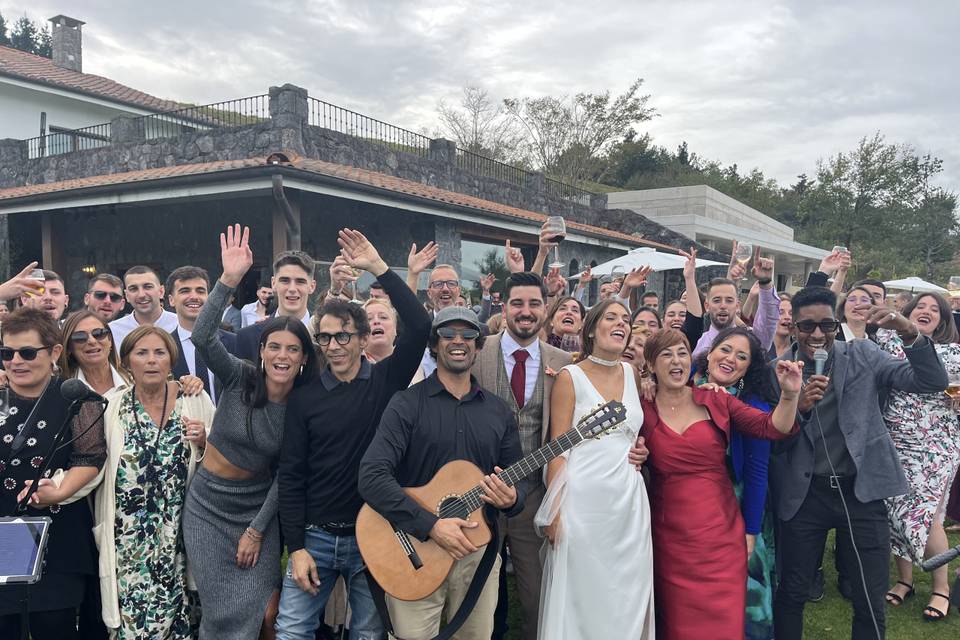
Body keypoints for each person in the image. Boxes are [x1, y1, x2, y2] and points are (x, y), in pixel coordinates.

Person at [769, 286, 948, 640]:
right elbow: (772, 443)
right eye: (807, 327)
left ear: (837, 324)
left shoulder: (864, 354)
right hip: (804, 496)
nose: (817, 334)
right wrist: (798, 408)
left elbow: (932, 382)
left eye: (826, 324)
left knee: (869, 599)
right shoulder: (776, 370)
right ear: (794, 328)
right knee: (792, 592)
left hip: (861, 492)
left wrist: (910, 333)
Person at [276, 229, 430, 640]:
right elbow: (291, 475)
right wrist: (298, 547)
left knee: (368, 633)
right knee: (291, 631)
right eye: (325, 337)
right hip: (316, 537)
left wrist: (380, 267)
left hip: (375, 535)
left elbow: (419, 325)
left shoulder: (386, 381)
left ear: (364, 340)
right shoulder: (305, 399)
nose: (334, 345)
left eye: (344, 335)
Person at [183, 224, 319, 640]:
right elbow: (203, 337)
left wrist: (256, 531)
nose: (282, 355)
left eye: (292, 349)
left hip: (258, 509)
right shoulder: (239, 378)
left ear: (302, 359)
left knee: (266, 614)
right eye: (274, 347)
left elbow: (287, 476)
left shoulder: (302, 406)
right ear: (261, 352)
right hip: (207, 508)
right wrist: (227, 280)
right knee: (219, 613)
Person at [359, 307, 525, 640]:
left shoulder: (499, 412)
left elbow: (514, 484)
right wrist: (431, 525)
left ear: (479, 348)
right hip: (415, 551)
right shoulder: (406, 404)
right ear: (434, 346)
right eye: (448, 335)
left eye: (468, 336)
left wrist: (511, 499)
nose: (458, 342)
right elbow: (372, 476)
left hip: (478, 554)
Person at [638, 328, 801, 639]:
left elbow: (771, 428)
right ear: (651, 364)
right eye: (666, 355)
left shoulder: (715, 398)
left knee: (724, 625)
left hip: (720, 534)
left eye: (682, 353)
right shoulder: (640, 406)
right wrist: (635, 453)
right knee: (677, 625)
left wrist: (790, 394)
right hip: (669, 538)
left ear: (692, 358)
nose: (676, 361)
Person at [536, 299, 655, 639]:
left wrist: (641, 450)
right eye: (611, 317)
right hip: (583, 504)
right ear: (591, 329)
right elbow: (557, 449)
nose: (622, 323)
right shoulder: (569, 377)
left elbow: (633, 434)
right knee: (583, 596)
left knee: (627, 594)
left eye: (626, 319)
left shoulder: (632, 374)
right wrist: (554, 513)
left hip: (629, 504)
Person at [93, 326, 214, 639]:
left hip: (177, 540)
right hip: (127, 545)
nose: (151, 361)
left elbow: (220, 460)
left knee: (180, 622)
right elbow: (90, 464)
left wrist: (203, 442)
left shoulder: (194, 399)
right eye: (141, 353)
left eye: (159, 352)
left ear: (171, 360)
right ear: (126, 362)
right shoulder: (110, 406)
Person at [471, 272, 572, 640]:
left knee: (536, 595)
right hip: (480, 494)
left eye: (533, 304)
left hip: (534, 496)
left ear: (545, 309)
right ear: (504, 306)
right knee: (479, 593)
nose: (525, 311)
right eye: (517, 303)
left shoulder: (565, 361)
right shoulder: (477, 351)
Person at [0, 308, 106, 639]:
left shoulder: (77, 400)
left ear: (55, 352)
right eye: (6, 353)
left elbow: (90, 457)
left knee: (55, 627)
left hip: (58, 534)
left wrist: (58, 492)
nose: (16, 361)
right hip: (4, 535)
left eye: (28, 352)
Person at [875, 292, 960, 621]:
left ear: (943, 319)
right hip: (894, 440)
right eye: (920, 307)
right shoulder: (888, 343)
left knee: (926, 515)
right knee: (895, 510)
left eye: (934, 309)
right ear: (907, 313)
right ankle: (905, 580)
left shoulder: (953, 353)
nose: (926, 311)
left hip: (935, 445)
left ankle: (941, 588)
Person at [693, 327, 781, 639]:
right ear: (710, 351)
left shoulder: (754, 408)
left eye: (741, 356)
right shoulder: (683, 387)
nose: (730, 359)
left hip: (735, 510)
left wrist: (751, 531)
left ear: (748, 368)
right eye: (726, 349)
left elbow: (758, 475)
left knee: (745, 597)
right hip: (687, 511)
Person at [166, 265, 237, 403]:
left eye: (200, 291)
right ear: (171, 300)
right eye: (184, 291)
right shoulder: (164, 348)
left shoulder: (233, 342)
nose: (193, 297)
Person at [692, 250, 778, 358]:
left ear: (737, 306)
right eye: (717, 300)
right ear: (707, 306)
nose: (723, 305)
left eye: (729, 300)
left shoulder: (751, 340)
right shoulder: (696, 345)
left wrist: (766, 283)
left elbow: (768, 322)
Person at [236, 251, 317, 361]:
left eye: (300, 281)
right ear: (273, 283)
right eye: (285, 281)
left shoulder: (324, 337)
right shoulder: (247, 338)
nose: (292, 289)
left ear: (312, 286)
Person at [108, 266, 179, 346]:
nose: (141, 295)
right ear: (127, 295)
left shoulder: (179, 325)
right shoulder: (113, 331)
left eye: (148, 287)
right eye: (133, 289)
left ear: (161, 291)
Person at [361, 297, 397, 363]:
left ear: (395, 329)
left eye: (383, 317)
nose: (376, 321)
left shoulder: (413, 359)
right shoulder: (351, 366)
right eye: (369, 319)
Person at [769, 293, 793, 359]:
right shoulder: (760, 348)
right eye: (781, 312)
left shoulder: (798, 351)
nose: (787, 317)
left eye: (791, 313)